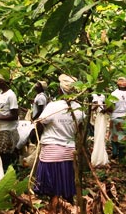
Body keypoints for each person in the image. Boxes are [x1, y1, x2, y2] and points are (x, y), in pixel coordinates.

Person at [34, 74, 84, 211]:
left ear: (60, 90)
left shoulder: (53, 106)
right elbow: (79, 131)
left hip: (50, 152)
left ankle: (54, 208)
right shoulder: (79, 108)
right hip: (69, 152)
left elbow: (40, 123)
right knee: (66, 187)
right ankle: (68, 208)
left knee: (52, 190)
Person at [0, 77, 19, 171]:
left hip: (7, 129)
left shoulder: (11, 95)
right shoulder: (0, 94)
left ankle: (9, 174)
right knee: (1, 153)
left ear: (2, 82)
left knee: (5, 154)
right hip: (0, 128)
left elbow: (15, 116)